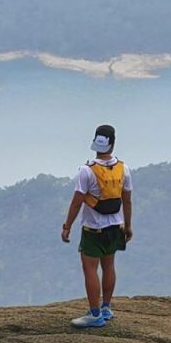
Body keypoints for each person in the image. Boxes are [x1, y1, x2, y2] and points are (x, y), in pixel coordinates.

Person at [60, 123, 133, 329]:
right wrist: (128, 226)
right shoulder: (123, 168)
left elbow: (77, 201)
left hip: (94, 229)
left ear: (95, 142)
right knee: (109, 265)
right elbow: (127, 200)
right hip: (116, 227)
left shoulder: (86, 170)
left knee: (90, 269)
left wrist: (67, 226)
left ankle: (94, 314)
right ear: (113, 143)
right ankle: (107, 307)